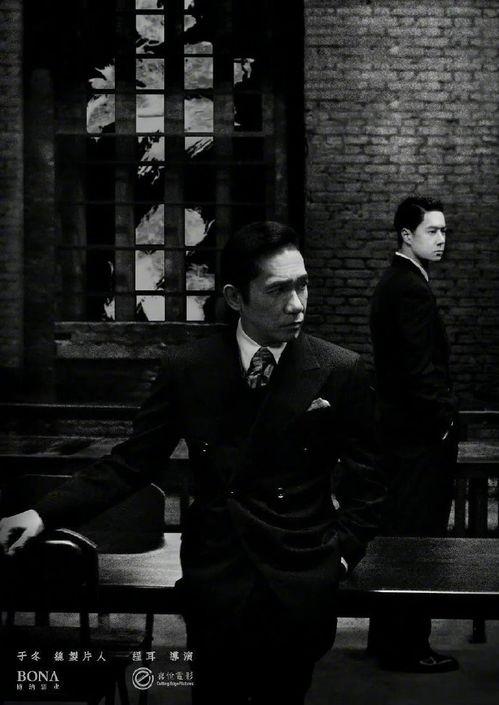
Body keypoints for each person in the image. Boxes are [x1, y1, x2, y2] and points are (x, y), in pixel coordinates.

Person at [0, 221, 384, 704]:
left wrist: (341, 555)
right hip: (217, 576)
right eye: (278, 289)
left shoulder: (340, 369)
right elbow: (131, 463)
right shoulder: (189, 367)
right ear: (235, 297)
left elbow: (370, 479)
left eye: (303, 285)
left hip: (298, 576)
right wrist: (42, 513)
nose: (297, 304)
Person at [369, 196, 459, 673]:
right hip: (418, 439)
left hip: (400, 435)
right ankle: (408, 647)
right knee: (418, 539)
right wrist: (442, 423)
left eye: (444, 231)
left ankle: (387, 639)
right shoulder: (410, 289)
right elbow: (419, 369)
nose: (442, 239)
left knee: (399, 535)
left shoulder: (395, 281)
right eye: (432, 231)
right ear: (407, 235)